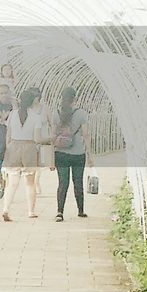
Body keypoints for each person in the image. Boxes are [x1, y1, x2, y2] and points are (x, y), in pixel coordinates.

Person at [1, 86, 46, 221]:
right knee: (30, 183)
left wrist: (8, 149)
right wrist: (49, 139)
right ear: (33, 101)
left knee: (12, 183)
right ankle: (31, 211)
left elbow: (8, 135)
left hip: (14, 147)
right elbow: (37, 139)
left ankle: (6, 209)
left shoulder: (13, 114)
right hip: (29, 148)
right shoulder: (36, 117)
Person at [52, 86, 91, 221]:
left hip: (60, 153)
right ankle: (80, 210)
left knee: (63, 182)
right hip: (78, 153)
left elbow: (53, 135)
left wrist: (51, 157)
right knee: (78, 181)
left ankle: (59, 212)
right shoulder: (81, 114)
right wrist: (90, 155)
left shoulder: (56, 113)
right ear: (75, 99)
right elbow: (86, 135)